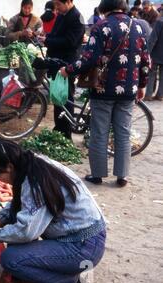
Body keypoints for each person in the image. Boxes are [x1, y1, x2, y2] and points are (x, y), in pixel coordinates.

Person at [0, 139, 106, 283]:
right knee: (14, 224)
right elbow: (21, 203)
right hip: (83, 240)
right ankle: (67, 274)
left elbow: (26, 232)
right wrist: (0, 219)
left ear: (9, 167)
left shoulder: (35, 180)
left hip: (83, 245)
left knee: (10, 259)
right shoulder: (31, 163)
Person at [60, 0, 151, 187]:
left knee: (99, 132)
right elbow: (145, 60)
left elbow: (89, 58)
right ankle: (122, 176)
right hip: (128, 90)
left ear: (104, 6)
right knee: (123, 132)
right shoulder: (138, 27)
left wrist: (67, 70)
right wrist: (141, 85)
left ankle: (98, 174)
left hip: (103, 89)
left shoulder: (101, 26)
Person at [37, 0, 85, 140]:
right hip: (56, 62)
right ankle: (59, 129)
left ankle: (65, 134)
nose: (56, 8)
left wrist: (48, 41)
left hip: (67, 64)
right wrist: (45, 38)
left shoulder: (77, 17)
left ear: (69, 1)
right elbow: (56, 34)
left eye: (59, 4)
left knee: (65, 97)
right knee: (57, 97)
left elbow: (70, 42)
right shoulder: (62, 15)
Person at [145, 15, 163, 101]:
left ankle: (148, 95)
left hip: (156, 54)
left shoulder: (160, 22)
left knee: (151, 74)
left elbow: (153, 38)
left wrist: (147, 52)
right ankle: (160, 95)